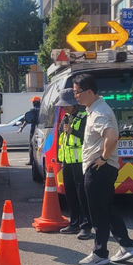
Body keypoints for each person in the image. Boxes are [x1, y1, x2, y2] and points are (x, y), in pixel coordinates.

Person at [72, 73, 133, 265]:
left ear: (89, 92)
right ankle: (127, 246)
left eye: (77, 92)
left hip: (99, 169)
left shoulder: (100, 112)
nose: (75, 96)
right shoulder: (94, 109)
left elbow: (111, 136)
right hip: (100, 168)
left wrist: (102, 158)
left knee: (98, 213)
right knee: (107, 209)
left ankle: (100, 253)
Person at [55, 88, 92, 240]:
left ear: (74, 104)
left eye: (66, 105)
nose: (63, 108)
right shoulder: (66, 117)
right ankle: (74, 223)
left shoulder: (84, 117)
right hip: (67, 162)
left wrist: (72, 131)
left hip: (80, 162)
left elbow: (88, 138)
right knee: (69, 193)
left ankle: (86, 226)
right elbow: (62, 138)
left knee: (82, 195)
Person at [19, 96, 40, 165]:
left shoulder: (32, 111)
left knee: (31, 145)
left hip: (34, 129)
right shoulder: (43, 110)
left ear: (34, 103)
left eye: (33, 102)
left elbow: (26, 120)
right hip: (42, 129)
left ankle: (31, 161)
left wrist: (21, 128)